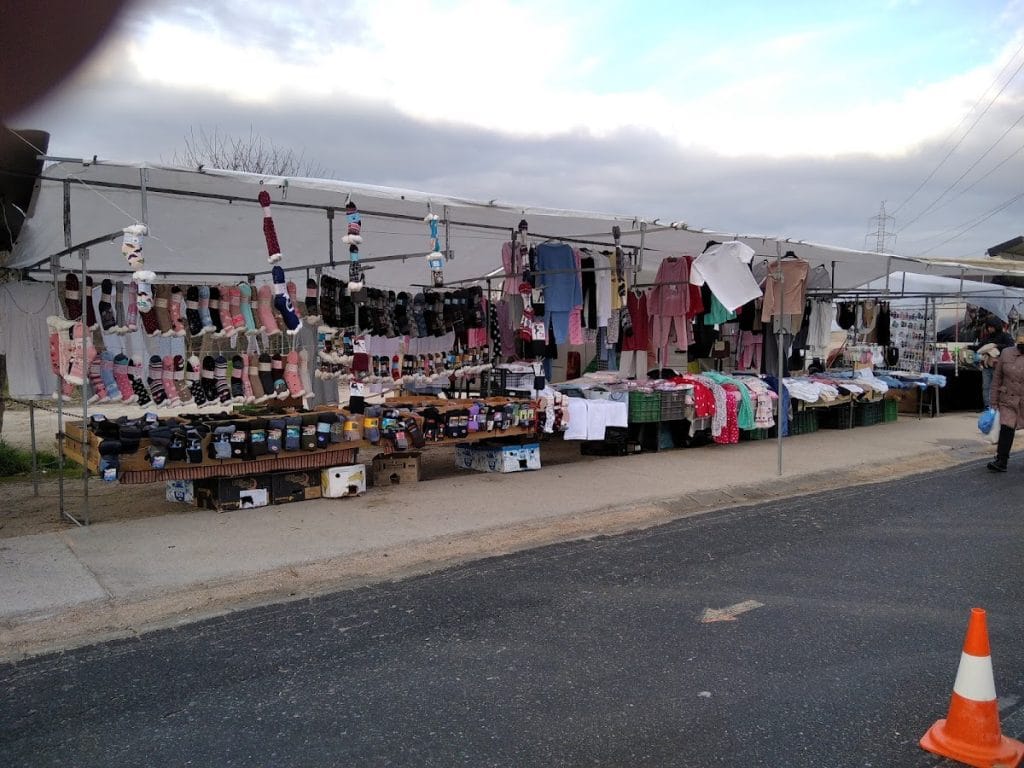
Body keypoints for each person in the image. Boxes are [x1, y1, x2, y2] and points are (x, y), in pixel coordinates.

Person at [987, 331, 1024, 472]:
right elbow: (997, 378)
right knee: (1006, 428)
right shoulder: (1006, 353)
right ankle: (1001, 460)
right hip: (1008, 398)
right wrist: (994, 401)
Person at [976, 320, 1015, 409]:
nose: (989, 329)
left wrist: (996, 345)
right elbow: (979, 347)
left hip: (999, 366)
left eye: (991, 327)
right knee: (986, 387)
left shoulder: (1005, 336)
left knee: (998, 386)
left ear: (996, 326)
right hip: (986, 366)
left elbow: (1010, 347)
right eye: (988, 327)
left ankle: (998, 405)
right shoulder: (987, 337)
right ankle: (987, 406)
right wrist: (968, 347)